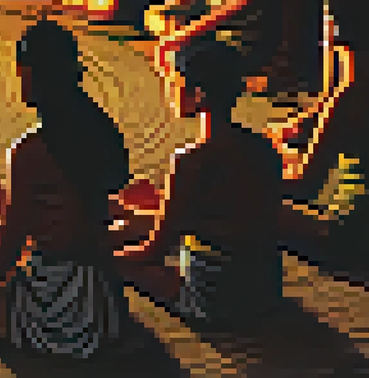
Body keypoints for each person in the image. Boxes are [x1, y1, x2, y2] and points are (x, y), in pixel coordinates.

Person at [0, 20, 131, 360]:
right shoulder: (100, 130)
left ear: (33, 75)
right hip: (103, 291)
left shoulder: (31, 151)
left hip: (61, 308)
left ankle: (5, 308)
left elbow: (11, 244)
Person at [116, 40, 284, 329]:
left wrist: (109, 252)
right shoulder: (262, 147)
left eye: (176, 82)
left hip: (217, 297)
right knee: (139, 202)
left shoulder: (191, 161)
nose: (170, 88)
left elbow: (155, 250)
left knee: (113, 261)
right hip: (266, 286)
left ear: (199, 95)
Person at [267, 0, 369, 267]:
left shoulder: (350, 97)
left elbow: (305, 185)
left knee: (240, 202)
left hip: (353, 238)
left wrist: (256, 171)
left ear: (333, 30)